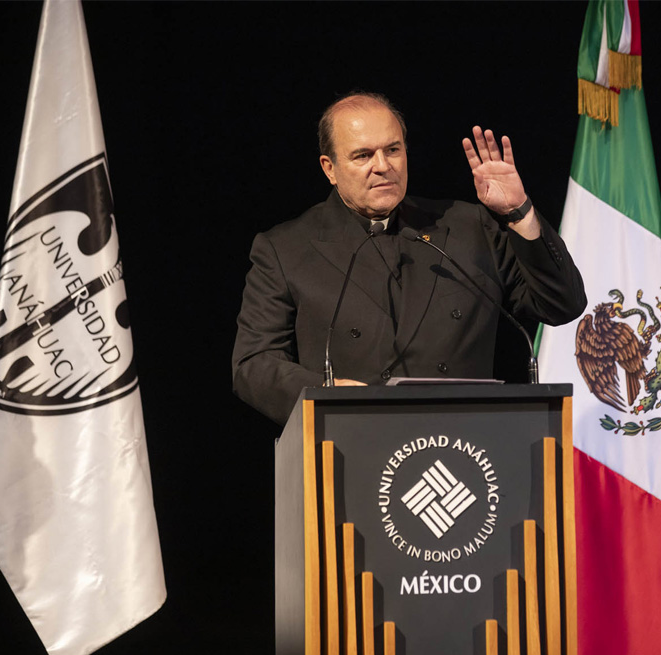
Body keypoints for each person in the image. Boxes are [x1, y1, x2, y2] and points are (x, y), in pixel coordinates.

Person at [232, 92, 586, 425]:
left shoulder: (469, 228)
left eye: (393, 150)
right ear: (330, 168)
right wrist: (325, 394)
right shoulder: (286, 249)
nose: (382, 166)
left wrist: (518, 212)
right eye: (362, 155)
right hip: (354, 443)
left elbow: (561, 304)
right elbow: (254, 364)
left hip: (467, 445)